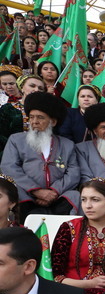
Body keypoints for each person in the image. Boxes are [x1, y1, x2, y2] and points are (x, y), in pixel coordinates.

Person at [1, 91, 80, 221]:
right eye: (31, 117)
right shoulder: (16, 140)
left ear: (53, 122)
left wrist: (54, 191)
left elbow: (73, 173)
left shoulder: (67, 145)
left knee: (74, 195)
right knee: (16, 193)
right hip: (27, 194)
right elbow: (9, 167)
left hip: (58, 195)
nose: (34, 122)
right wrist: (36, 191)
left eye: (40, 117)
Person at [50, 179, 105, 294]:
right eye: (83, 199)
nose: (87, 205)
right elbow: (55, 275)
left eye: (95, 200)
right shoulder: (68, 228)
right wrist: (90, 284)